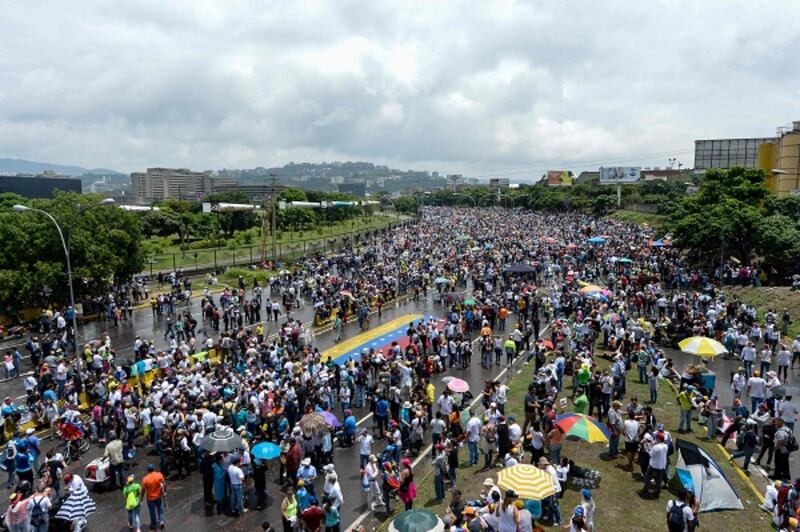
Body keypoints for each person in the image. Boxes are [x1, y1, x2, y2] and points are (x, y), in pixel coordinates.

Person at [641, 432, 668, 498]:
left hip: (654, 466)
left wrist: (647, 448)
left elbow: (651, 455)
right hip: (661, 466)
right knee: (658, 481)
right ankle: (657, 493)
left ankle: (645, 491)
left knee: (647, 478)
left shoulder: (656, 447)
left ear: (658, 439)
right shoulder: (665, 446)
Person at [142, 464, 166, 531]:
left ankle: (153, 524)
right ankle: (161, 521)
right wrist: (165, 492)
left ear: (148, 470)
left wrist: (141, 498)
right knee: (160, 509)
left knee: (152, 512)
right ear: (154, 468)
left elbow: (143, 490)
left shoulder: (145, 479)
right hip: (158, 496)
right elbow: (164, 484)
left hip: (150, 499)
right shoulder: (159, 475)